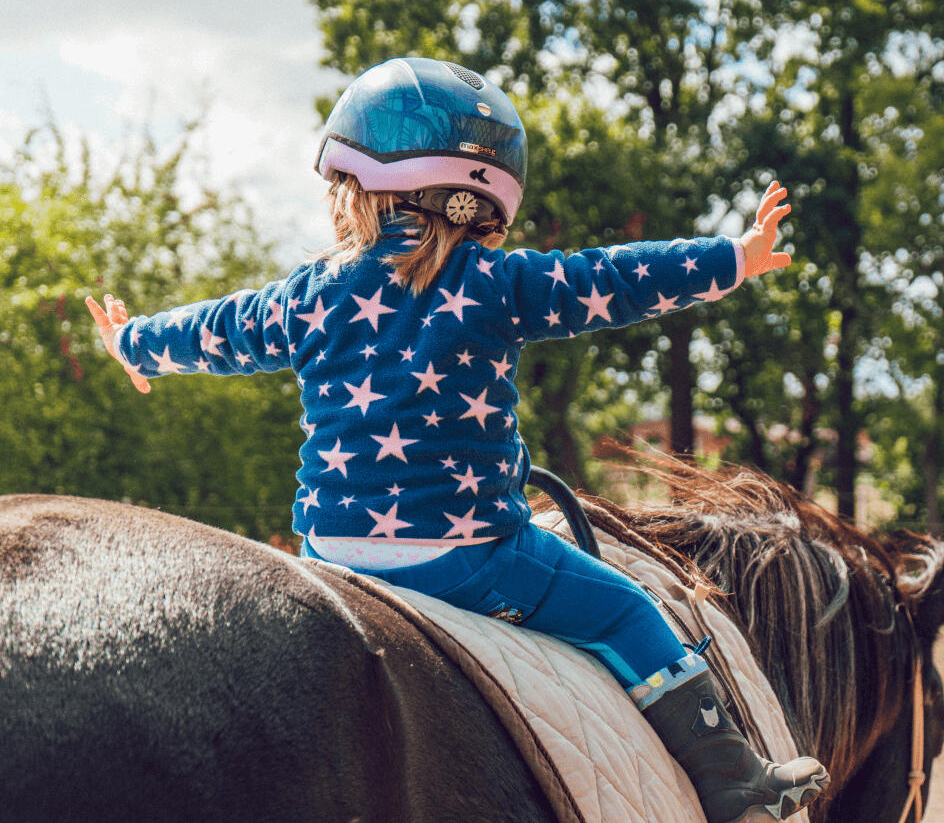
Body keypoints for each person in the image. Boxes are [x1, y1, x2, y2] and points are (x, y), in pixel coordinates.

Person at [86, 57, 829, 822]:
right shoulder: (497, 283)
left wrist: (135, 344)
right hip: (467, 554)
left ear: (352, 190)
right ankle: (736, 783)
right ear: (484, 199)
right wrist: (734, 259)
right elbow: (616, 279)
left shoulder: (306, 295)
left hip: (334, 551)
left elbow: (219, 328)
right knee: (626, 612)